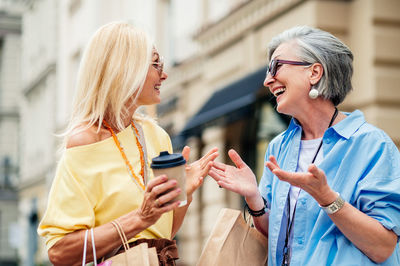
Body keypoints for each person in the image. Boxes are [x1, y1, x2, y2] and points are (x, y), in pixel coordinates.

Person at [209, 26, 400, 265]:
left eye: (276, 66)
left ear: (315, 72)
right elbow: (277, 235)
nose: (268, 80)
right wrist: (254, 198)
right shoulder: (278, 147)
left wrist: (327, 198)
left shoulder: (372, 145)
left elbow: (383, 246)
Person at [37, 21, 218, 266]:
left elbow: (164, 235)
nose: (164, 74)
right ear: (124, 68)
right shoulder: (85, 142)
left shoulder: (157, 135)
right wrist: (139, 218)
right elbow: (59, 251)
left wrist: (184, 194)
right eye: (155, 64)